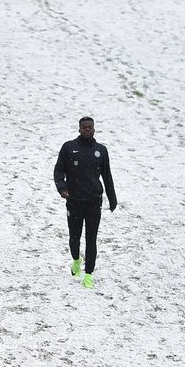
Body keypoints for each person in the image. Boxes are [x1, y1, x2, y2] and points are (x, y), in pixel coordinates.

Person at [53, 116, 118, 289]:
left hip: (93, 202)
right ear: (79, 129)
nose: (87, 129)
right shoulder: (69, 148)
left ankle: (88, 274)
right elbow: (59, 170)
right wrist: (62, 188)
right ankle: (76, 259)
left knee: (91, 239)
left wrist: (112, 198)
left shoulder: (101, 151)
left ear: (94, 129)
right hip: (74, 201)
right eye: (84, 127)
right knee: (74, 238)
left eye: (90, 127)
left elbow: (107, 176)